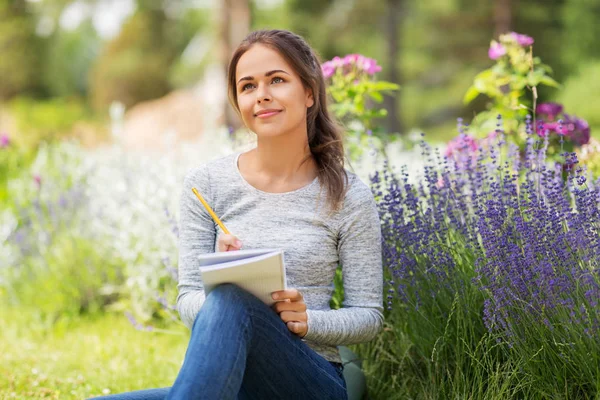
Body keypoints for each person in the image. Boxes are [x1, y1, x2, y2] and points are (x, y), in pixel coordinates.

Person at [91, 29, 383, 400]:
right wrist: (218, 282)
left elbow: (368, 316)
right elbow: (188, 302)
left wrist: (307, 321)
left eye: (277, 80)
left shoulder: (348, 195)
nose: (261, 94)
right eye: (247, 86)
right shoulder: (206, 184)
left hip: (310, 381)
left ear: (309, 92)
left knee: (231, 300)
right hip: (232, 383)